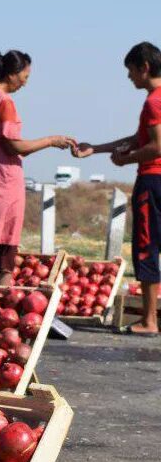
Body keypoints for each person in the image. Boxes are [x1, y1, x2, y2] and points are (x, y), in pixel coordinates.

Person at [73, 41, 161, 335]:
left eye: (131, 71)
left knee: (146, 247)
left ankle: (149, 321)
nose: (129, 78)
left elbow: (156, 146)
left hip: (153, 181)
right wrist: (96, 149)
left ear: (144, 67)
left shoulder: (154, 101)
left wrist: (126, 161)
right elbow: (139, 138)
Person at [0, 50, 75, 284]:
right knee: (4, 261)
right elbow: (15, 146)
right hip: (4, 184)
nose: (25, 83)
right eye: (25, 77)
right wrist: (51, 140)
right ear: (12, 74)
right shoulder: (4, 102)